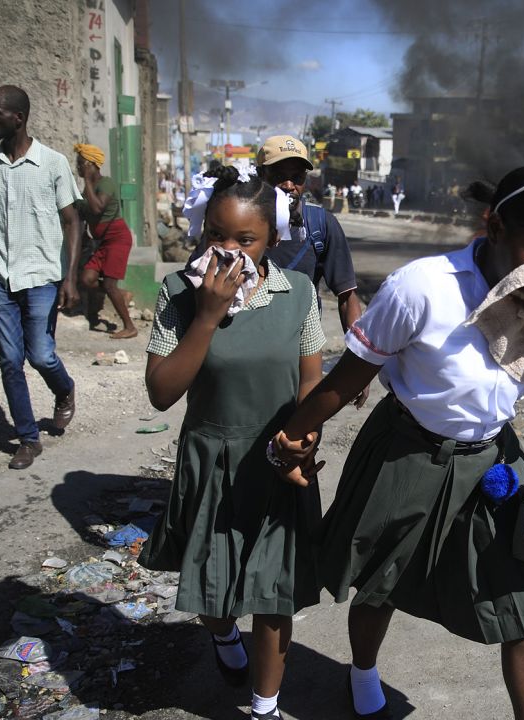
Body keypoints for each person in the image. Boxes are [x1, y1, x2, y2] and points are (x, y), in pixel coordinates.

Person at [270, 166, 524, 719]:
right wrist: (293, 435)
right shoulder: (423, 286)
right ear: (494, 228)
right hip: (407, 453)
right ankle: (363, 670)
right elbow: (350, 378)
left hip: (492, 461)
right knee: (379, 583)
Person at [139, 165, 324, 720]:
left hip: (277, 461)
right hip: (211, 457)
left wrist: (304, 439)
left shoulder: (298, 292)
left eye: (245, 240)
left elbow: (310, 380)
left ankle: (263, 707)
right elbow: (162, 393)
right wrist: (209, 314)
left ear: (270, 240)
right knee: (212, 590)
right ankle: (222, 637)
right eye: (216, 236)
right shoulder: (178, 292)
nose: (228, 250)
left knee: (272, 596)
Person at [0, 86, 81, 470]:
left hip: (41, 276)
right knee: (9, 360)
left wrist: (70, 278)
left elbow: (72, 221)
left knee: (40, 354)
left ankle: (64, 390)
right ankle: (28, 439)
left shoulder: (52, 163)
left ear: (16, 118)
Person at [259, 135, 369, 408]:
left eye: (296, 177)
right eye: (278, 176)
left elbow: (347, 297)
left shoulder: (321, 225)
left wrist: (360, 365)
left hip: (300, 354)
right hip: (247, 349)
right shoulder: (239, 221)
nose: (288, 185)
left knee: (297, 432)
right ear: (261, 175)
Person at [73, 143, 137, 339]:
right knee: (87, 279)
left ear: (90, 164)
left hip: (117, 238)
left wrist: (88, 182)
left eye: (80, 163)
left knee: (109, 284)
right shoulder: (88, 190)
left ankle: (129, 327)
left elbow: (97, 208)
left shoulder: (106, 183)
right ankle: (122, 295)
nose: (78, 167)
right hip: (102, 242)